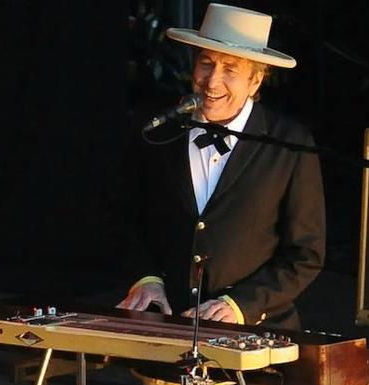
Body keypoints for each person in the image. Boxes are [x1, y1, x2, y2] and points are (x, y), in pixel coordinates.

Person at [117, 3, 325, 330]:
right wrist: (146, 279)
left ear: (256, 81)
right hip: (167, 328)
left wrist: (240, 305)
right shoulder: (159, 130)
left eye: (230, 69)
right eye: (206, 63)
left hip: (255, 335)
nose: (212, 81)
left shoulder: (290, 144)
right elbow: (123, 219)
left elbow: (305, 255)